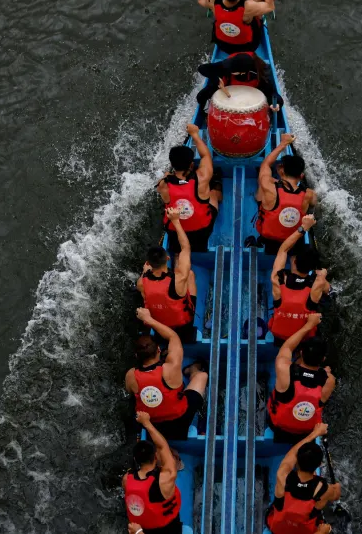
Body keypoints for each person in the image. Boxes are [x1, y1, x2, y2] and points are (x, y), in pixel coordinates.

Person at [125, 308, 208, 441]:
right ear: (158, 350)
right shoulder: (171, 367)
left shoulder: (130, 375)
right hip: (180, 421)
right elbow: (173, 337)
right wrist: (149, 320)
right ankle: (191, 370)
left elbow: (131, 393)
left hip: (153, 426)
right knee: (202, 376)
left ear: (136, 356)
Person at [267, 313, 336, 445]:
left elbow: (287, 347)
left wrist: (308, 325)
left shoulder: (284, 368)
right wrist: (325, 372)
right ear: (323, 359)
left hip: (277, 426)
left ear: (301, 353)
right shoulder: (329, 380)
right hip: (306, 433)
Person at [265, 423, 341, 534]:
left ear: (297, 462)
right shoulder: (325, 489)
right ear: (319, 464)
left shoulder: (282, 475)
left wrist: (315, 433)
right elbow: (336, 496)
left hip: (276, 528)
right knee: (326, 528)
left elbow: (292, 453)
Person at [138, 207, 197, 343]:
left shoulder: (141, 282)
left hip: (161, 328)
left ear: (148, 263)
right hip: (184, 325)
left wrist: (144, 272)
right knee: (190, 274)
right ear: (168, 259)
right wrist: (175, 221)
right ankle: (178, 261)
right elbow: (186, 248)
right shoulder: (180, 278)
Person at [268, 215, 330, 346]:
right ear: (312, 269)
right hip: (304, 339)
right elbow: (327, 289)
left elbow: (283, 250)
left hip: (279, 335)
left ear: (294, 261)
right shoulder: (317, 283)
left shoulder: (278, 279)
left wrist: (303, 228)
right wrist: (322, 274)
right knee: (327, 296)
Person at [157, 124, 219, 253]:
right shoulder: (202, 176)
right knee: (212, 194)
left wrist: (167, 176)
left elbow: (169, 183)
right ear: (192, 164)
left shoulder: (163, 184)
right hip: (201, 231)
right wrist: (195, 134)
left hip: (175, 232)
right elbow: (206, 156)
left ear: (172, 165)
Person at [255, 134, 317, 254]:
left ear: (280, 170)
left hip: (268, 239)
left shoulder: (269, 187)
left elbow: (266, 164)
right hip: (292, 242)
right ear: (301, 176)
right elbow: (314, 204)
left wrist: (283, 144)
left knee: (261, 190)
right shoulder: (309, 195)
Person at [124, 411, 183, 534]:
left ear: (136, 459)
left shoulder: (126, 479)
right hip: (166, 528)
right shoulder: (166, 477)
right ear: (156, 457)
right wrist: (147, 423)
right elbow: (163, 447)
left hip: (141, 525)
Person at [197, 0, 276, 55]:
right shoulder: (248, 7)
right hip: (247, 46)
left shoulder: (213, 1)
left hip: (223, 45)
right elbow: (270, 6)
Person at [194, 52, 281, 118]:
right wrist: (216, 79)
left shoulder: (258, 75)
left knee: (274, 110)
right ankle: (204, 116)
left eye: (233, 70)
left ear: (243, 73)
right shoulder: (227, 66)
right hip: (227, 87)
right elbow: (202, 68)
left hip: (250, 96)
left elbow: (273, 93)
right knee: (201, 96)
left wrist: (276, 104)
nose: (230, 71)